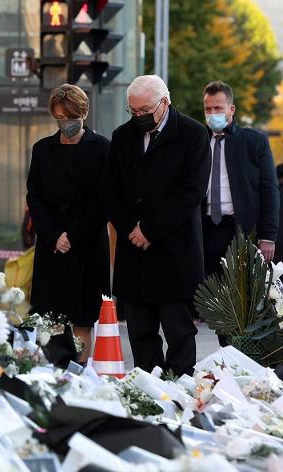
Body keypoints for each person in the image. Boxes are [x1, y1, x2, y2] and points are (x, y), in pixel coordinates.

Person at [101, 75, 210, 376]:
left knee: (179, 332)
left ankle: (180, 393)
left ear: (165, 102)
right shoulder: (123, 137)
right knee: (140, 333)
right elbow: (109, 191)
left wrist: (149, 229)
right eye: (133, 111)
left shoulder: (193, 134)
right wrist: (130, 228)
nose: (139, 117)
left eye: (144, 111)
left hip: (175, 250)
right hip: (133, 252)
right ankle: (148, 390)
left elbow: (191, 192)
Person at [26, 83, 110, 362]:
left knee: (83, 317)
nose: (66, 124)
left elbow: (102, 201)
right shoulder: (42, 150)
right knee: (50, 317)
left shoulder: (102, 149)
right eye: (60, 118)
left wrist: (72, 236)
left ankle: (80, 370)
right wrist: (52, 236)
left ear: (84, 114)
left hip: (86, 245)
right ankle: (52, 371)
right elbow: (35, 198)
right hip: (52, 246)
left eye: (71, 118)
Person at [201, 81, 279, 276]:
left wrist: (268, 236)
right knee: (205, 296)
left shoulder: (254, 142)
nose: (212, 113)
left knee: (240, 298)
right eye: (208, 108)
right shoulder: (197, 141)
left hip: (241, 231)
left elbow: (269, 189)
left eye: (218, 108)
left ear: (231, 109)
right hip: (203, 230)